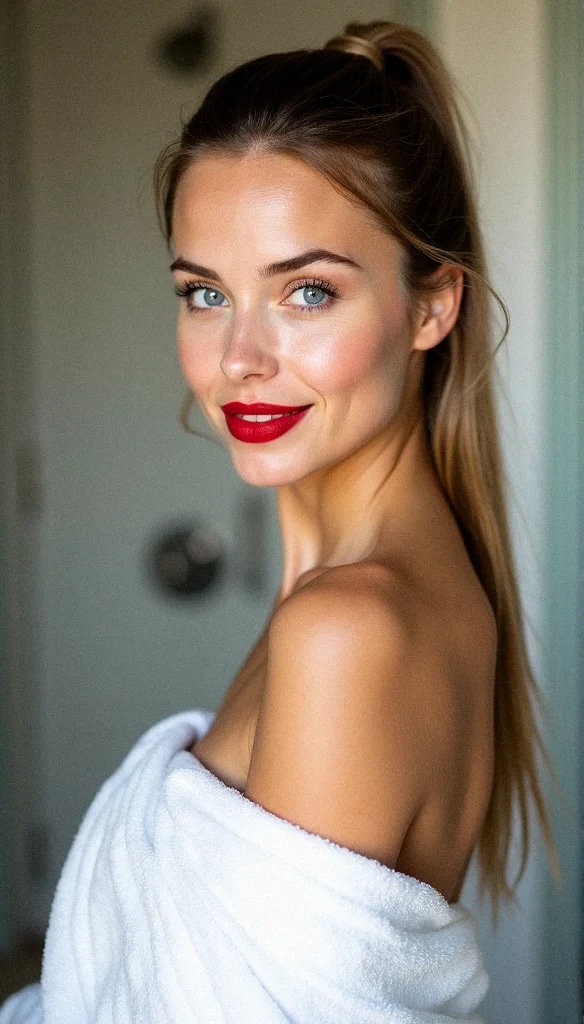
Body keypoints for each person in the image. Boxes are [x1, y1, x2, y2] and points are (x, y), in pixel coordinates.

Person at [1, 20, 554, 1024]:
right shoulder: (353, 593)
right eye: (205, 293)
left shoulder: (346, 630)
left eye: (305, 291)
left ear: (431, 306)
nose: (239, 358)